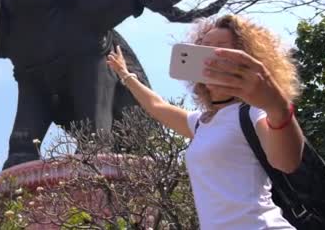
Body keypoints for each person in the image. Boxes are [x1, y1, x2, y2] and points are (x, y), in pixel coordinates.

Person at [106, 14, 304, 230]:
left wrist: (279, 108)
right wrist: (125, 75)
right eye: (204, 46)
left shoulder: (252, 112)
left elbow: (286, 162)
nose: (209, 54)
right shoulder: (200, 123)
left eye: (221, 47)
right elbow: (157, 106)